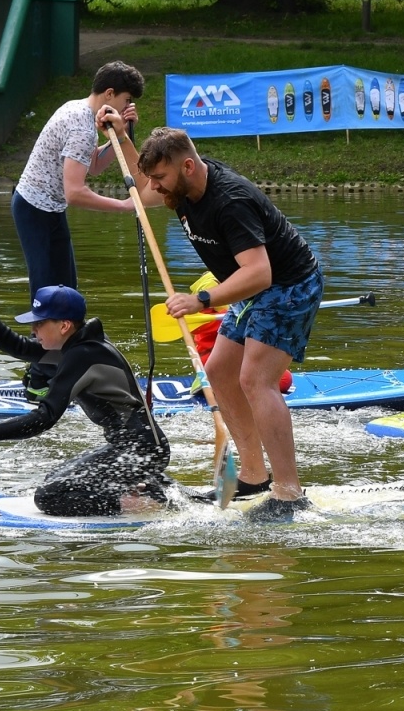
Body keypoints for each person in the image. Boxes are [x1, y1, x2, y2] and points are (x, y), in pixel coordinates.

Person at [133, 126, 324, 521]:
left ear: (187, 167)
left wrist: (201, 300)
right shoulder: (181, 185)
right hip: (249, 290)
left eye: (160, 178)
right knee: (218, 370)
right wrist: (120, 134)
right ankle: (253, 476)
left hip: (288, 284)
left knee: (256, 379)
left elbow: (259, 273)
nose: (154, 187)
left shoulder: (230, 201)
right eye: (153, 178)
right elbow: (141, 188)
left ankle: (289, 492)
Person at [0, 284, 174, 517]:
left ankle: (143, 504)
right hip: (134, 448)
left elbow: (44, 417)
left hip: (142, 450)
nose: (33, 330)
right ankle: (145, 485)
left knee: (50, 497)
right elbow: (18, 346)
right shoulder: (76, 344)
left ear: (64, 325)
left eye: (39, 323)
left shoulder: (82, 355)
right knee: (54, 481)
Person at [11, 61, 148, 299]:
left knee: (67, 289)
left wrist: (119, 132)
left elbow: (93, 166)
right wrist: (124, 205)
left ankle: (69, 334)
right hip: (33, 208)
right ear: (109, 94)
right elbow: (74, 193)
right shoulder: (82, 127)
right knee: (45, 292)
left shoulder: (81, 111)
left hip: (51, 207)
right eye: (126, 100)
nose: (128, 106)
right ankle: (42, 336)